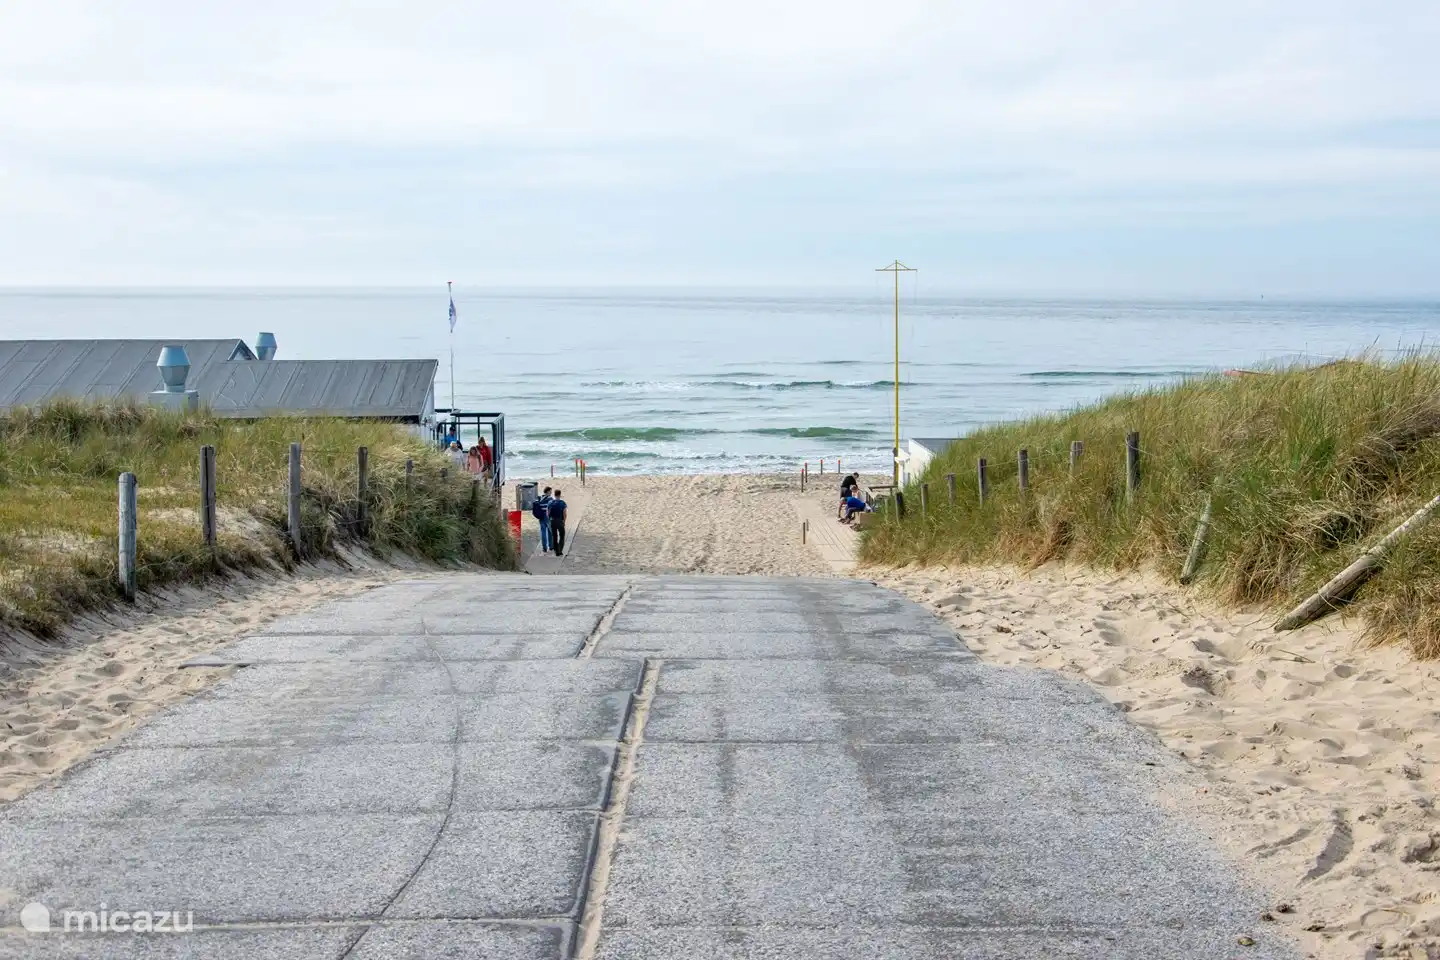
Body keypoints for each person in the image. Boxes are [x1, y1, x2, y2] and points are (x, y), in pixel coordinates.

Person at [532, 485, 553, 553]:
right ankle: (551, 546)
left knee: (543, 532)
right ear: (548, 491)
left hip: (541, 516)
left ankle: (544, 548)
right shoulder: (550, 499)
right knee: (550, 532)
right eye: (550, 491)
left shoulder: (540, 498)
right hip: (547, 516)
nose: (551, 492)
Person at [547, 488, 568, 556]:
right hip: (560, 520)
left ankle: (556, 551)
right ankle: (560, 550)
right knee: (562, 535)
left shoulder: (550, 502)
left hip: (552, 520)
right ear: (560, 495)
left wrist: (549, 519)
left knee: (554, 536)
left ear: (554, 494)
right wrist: (564, 521)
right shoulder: (562, 503)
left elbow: (548, 513)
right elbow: (564, 514)